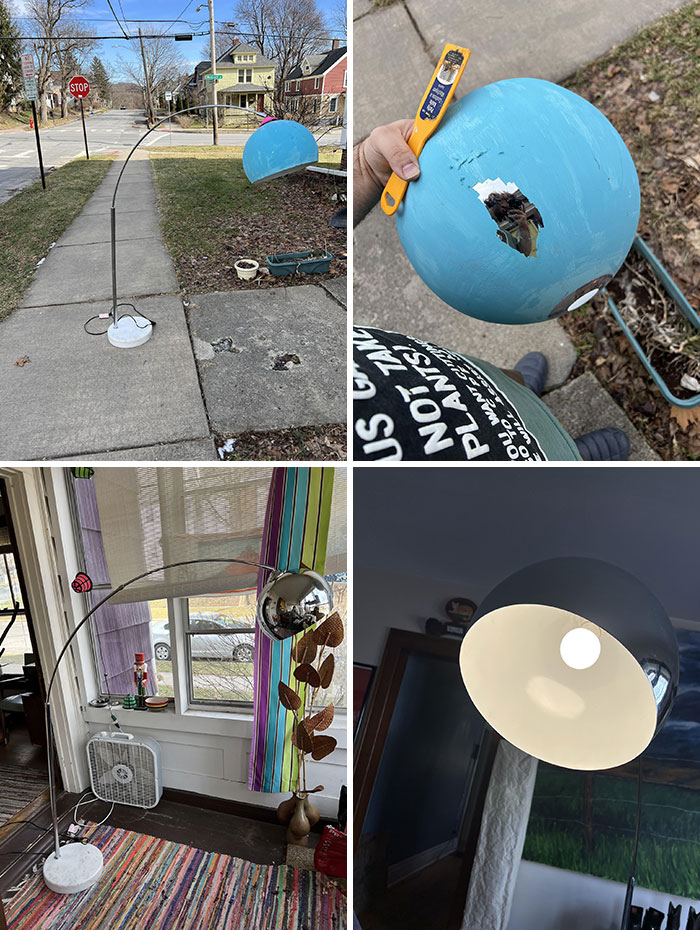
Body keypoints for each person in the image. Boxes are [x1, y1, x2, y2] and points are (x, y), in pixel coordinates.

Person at [353, 122, 630, 462]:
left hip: (420, 372)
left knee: (487, 385)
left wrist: (365, 170)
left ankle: (515, 393)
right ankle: (567, 457)